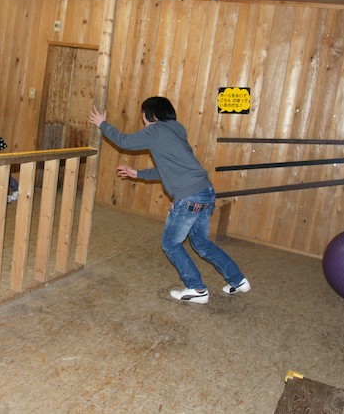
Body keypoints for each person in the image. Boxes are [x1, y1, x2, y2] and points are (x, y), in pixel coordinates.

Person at [89, 97, 249, 304]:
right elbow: (169, 170)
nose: (142, 120)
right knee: (201, 243)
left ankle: (197, 289)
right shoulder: (176, 132)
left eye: (143, 115)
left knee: (170, 243)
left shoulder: (156, 130)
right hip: (206, 192)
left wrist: (102, 124)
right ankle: (238, 280)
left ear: (151, 115)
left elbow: (124, 141)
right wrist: (138, 173)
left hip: (190, 196)